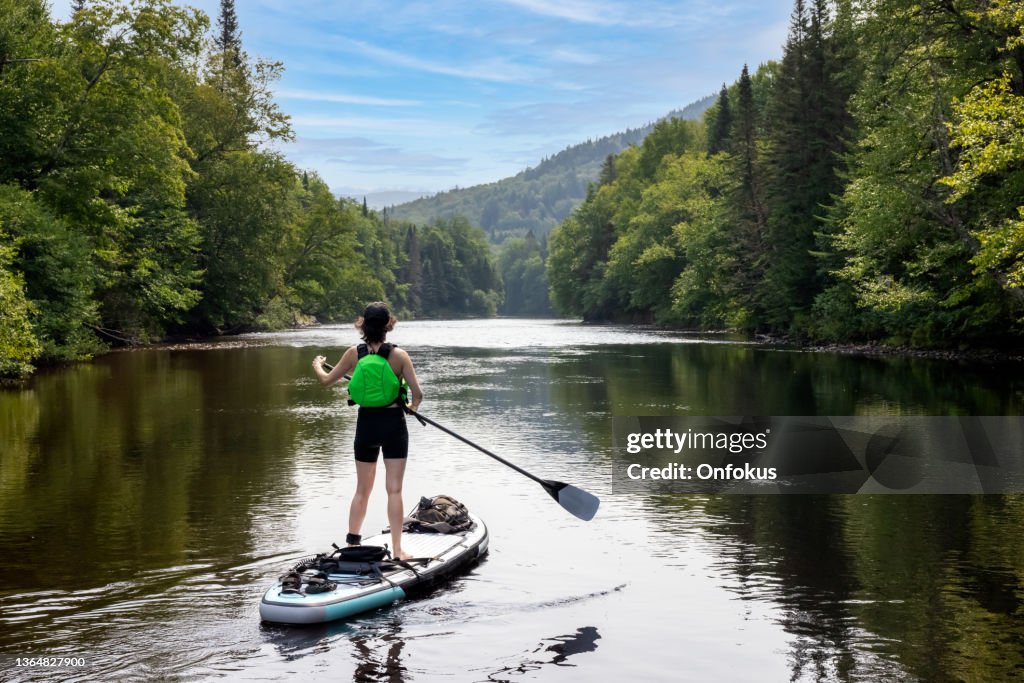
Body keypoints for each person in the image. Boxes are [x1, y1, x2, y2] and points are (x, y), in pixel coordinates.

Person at [312, 302, 423, 560]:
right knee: (394, 489)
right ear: (388, 326)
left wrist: (318, 364)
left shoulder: (354, 354)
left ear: (362, 324)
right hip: (394, 424)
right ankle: (397, 550)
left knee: (362, 490)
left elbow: (327, 381)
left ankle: (351, 546)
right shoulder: (399, 356)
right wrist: (411, 407)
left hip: (366, 426)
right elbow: (417, 395)